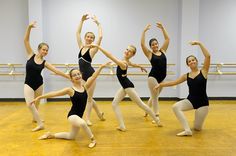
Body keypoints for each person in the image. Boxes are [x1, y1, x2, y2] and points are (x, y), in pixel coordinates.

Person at [30, 62, 110, 148]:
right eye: (75, 75)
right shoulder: (70, 90)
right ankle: (93, 140)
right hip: (72, 115)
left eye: (79, 74)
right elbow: (55, 93)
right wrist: (40, 97)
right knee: (83, 123)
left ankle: (51, 135)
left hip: (79, 116)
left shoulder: (85, 87)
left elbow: (93, 76)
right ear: (71, 79)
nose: (77, 76)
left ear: (81, 75)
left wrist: (101, 67)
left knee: (71, 136)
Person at [90, 44, 162, 131]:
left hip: (128, 86)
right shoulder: (126, 61)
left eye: (130, 51)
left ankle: (157, 119)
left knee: (141, 104)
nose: (127, 51)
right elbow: (133, 64)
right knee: (114, 104)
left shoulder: (123, 63)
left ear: (132, 54)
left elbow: (109, 55)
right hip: (124, 86)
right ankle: (122, 126)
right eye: (127, 49)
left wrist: (99, 47)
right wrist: (140, 66)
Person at [154, 41, 210, 136]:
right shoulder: (186, 76)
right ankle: (187, 130)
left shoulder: (204, 71)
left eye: (193, 60)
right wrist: (161, 84)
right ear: (188, 64)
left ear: (196, 61)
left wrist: (199, 44)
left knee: (197, 128)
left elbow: (208, 56)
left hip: (203, 103)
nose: (192, 61)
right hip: (190, 101)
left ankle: (196, 120)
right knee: (175, 107)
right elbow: (174, 82)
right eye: (189, 61)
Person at [24, 21, 70, 131]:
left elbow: (57, 71)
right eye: (44, 49)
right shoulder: (31, 55)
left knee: (37, 104)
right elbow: (26, 40)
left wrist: (69, 76)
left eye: (47, 50)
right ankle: (40, 124)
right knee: (30, 104)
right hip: (28, 84)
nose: (45, 51)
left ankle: (36, 119)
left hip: (39, 84)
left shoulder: (45, 63)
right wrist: (29, 27)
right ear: (39, 49)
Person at [76, 14, 105, 126]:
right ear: (85, 38)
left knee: (88, 98)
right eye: (88, 36)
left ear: (93, 40)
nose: (89, 38)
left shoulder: (93, 50)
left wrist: (98, 24)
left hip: (90, 75)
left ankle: (87, 118)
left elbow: (101, 37)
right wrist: (81, 21)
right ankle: (99, 113)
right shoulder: (81, 47)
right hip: (82, 76)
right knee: (87, 96)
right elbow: (77, 33)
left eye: (91, 37)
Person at [141, 22, 170, 120]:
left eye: (156, 43)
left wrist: (163, 28)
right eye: (152, 45)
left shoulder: (163, 51)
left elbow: (167, 39)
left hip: (162, 79)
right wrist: (144, 32)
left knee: (154, 96)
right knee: (155, 97)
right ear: (150, 47)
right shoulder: (150, 54)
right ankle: (156, 116)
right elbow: (142, 44)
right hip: (152, 77)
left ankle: (146, 110)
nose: (155, 45)